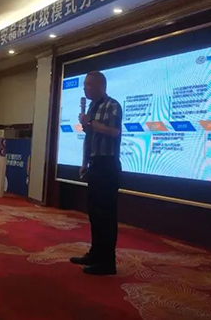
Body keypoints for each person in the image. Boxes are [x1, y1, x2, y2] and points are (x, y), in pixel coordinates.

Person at [70, 71, 122, 276]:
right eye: (84, 85)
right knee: (94, 213)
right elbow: (89, 138)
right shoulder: (92, 107)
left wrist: (90, 123)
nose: (85, 88)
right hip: (95, 164)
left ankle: (108, 262)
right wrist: (84, 162)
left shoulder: (113, 105)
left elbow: (114, 132)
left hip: (108, 165)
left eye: (89, 85)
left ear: (101, 85)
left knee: (106, 215)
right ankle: (95, 254)